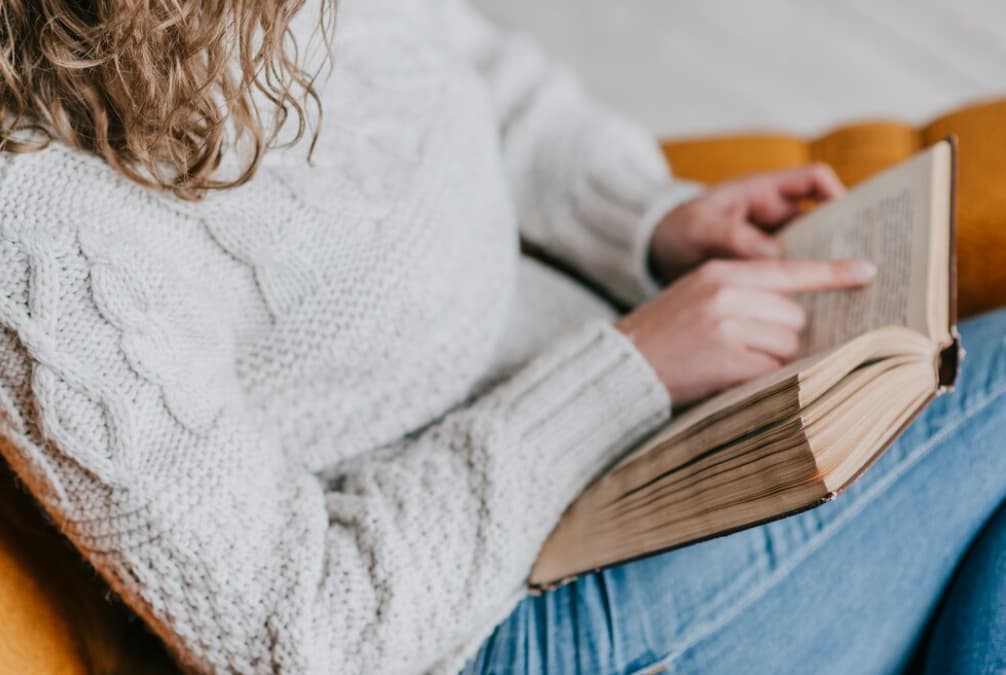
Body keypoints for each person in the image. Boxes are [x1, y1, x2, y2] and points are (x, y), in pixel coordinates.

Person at [0, 1, 1002, 673]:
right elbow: (301, 635)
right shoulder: (38, 239)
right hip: (499, 623)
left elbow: (481, 79)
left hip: (630, 424)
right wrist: (624, 372)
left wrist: (645, 220)